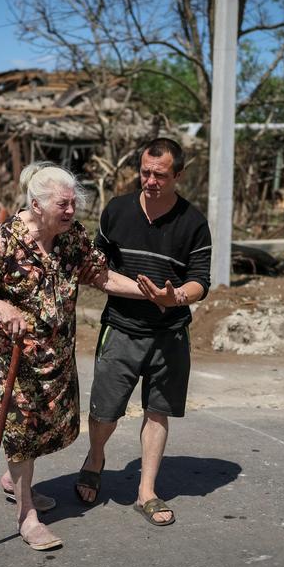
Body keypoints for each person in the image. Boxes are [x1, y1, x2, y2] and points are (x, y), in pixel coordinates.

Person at [0, 162, 107, 550]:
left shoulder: (71, 236)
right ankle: (27, 516)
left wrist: (156, 295)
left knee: (46, 424)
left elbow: (99, 274)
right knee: (21, 428)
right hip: (14, 356)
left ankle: (15, 480)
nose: (71, 210)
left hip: (57, 353)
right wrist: (3, 308)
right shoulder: (3, 242)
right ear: (37, 205)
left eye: (73, 203)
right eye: (64, 204)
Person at [75, 137, 212, 527]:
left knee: (158, 412)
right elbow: (97, 267)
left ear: (178, 175)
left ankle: (146, 491)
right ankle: (95, 457)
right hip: (120, 328)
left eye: (160, 175)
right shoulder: (117, 210)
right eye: (145, 172)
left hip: (170, 334)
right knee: (104, 412)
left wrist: (176, 297)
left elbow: (200, 281)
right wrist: (140, 291)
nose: (150, 181)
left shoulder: (193, 222)